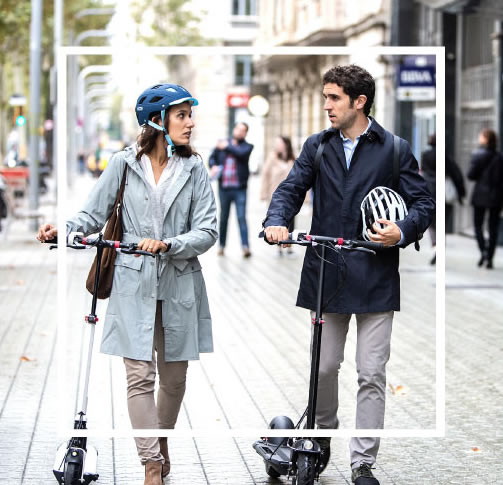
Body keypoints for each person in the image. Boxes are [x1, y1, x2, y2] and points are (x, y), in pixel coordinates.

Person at [37, 83, 218, 485]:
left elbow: (208, 230)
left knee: (174, 380)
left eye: (191, 114)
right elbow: (92, 212)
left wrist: (171, 244)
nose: (191, 122)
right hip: (132, 283)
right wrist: (61, 231)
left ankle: (161, 439)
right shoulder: (124, 164)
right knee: (139, 376)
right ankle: (151, 463)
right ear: (157, 121)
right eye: (182, 115)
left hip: (179, 283)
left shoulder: (194, 168)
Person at [263, 65, 434, 485]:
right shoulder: (317, 147)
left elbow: (423, 203)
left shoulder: (394, 149)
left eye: (334, 98)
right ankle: (320, 440)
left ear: (359, 101)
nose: (326, 105)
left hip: (376, 274)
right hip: (327, 271)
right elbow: (291, 188)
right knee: (324, 366)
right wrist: (276, 220)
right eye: (325, 97)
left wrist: (403, 230)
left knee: (371, 371)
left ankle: (362, 463)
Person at [209, 121, 254, 257]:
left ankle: (245, 247)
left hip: (240, 188)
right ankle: (221, 246)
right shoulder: (222, 144)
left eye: (243, 130)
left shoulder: (247, 146)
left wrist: (226, 146)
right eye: (238, 129)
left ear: (245, 133)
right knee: (223, 218)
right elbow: (212, 158)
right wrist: (213, 166)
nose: (240, 132)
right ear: (234, 129)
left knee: (241, 217)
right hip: (224, 187)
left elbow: (240, 154)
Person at [467, 128, 503, 269]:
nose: (479, 138)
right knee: (493, 228)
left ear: (486, 139)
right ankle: (490, 258)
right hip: (496, 197)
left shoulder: (478, 155)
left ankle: (483, 252)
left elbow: (471, 175)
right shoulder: (500, 157)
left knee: (478, 226)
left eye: (481, 136)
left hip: (480, 196)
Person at [260, 135, 296, 255]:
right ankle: (278, 247)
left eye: (279, 143)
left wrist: (306, 198)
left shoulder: (293, 158)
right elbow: (265, 175)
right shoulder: (272, 157)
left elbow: (300, 179)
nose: (277, 146)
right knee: (277, 221)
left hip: (292, 197)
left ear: (286, 144)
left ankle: (290, 246)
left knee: (291, 221)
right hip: (275, 195)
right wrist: (263, 194)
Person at [421, 134, 436, 264]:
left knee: (432, 223)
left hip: (429, 189)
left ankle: (435, 245)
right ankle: (439, 247)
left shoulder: (425, 154)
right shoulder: (443, 154)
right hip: (441, 191)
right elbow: (454, 171)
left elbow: (423, 170)